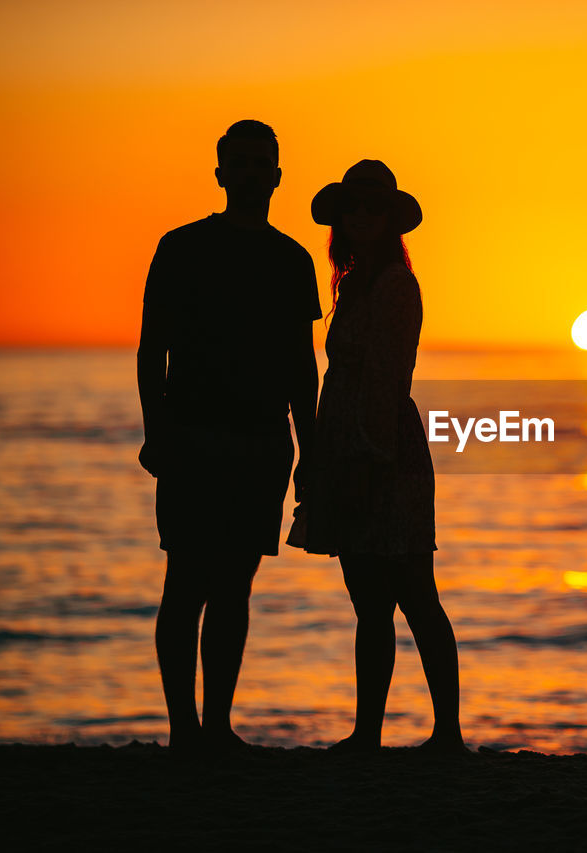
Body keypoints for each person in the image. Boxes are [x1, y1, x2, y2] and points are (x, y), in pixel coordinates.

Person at [137, 119, 322, 752]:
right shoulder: (181, 247)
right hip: (191, 434)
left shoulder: (292, 259)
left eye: (257, 163)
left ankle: (216, 725)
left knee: (235, 586)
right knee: (185, 581)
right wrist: (154, 431)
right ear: (219, 174)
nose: (246, 173)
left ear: (276, 174)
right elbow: (150, 348)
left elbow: (303, 365)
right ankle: (183, 729)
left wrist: (311, 449)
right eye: (235, 163)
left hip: (262, 441)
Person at [287, 159, 467, 755]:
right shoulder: (357, 281)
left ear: (390, 219)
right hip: (351, 445)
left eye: (371, 208)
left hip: (383, 448)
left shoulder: (393, 284)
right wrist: (319, 453)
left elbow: (387, 378)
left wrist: (367, 456)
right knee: (369, 600)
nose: (360, 217)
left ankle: (445, 732)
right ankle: (369, 732)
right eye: (352, 209)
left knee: (414, 591)